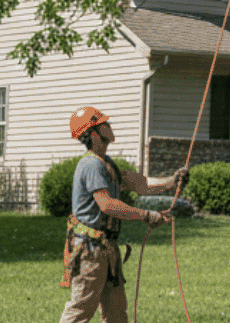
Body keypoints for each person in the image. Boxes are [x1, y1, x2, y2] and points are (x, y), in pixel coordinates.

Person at [60, 106, 190, 323]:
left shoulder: (106, 164)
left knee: (116, 314)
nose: (110, 127)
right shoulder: (91, 164)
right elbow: (107, 205)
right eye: (105, 124)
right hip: (90, 250)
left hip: (106, 248)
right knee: (80, 310)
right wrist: (146, 215)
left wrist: (171, 182)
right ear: (94, 134)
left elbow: (140, 184)